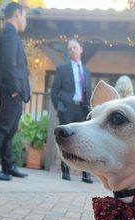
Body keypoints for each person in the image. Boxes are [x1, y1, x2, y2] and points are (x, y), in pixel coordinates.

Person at [0, 2, 30, 180]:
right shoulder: (9, 33)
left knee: (9, 131)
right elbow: (8, 63)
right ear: (17, 14)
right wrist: (15, 89)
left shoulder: (10, 33)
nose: (25, 21)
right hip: (11, 90)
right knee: (2, 129)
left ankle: (7, 166)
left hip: (13, 91)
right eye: (24, 16)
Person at [51, 38, 93, 183]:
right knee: (65, 140)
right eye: (69, 48)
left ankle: (85, 174)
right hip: (67, 108)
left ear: (81, 49)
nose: (72, 50)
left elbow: (89, 92)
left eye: (74, 47)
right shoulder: (63, 69)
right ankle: (65, 171)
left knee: (83, 139)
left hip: (82, 109)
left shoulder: (87, 72)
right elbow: (54, 90)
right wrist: (59, 106)